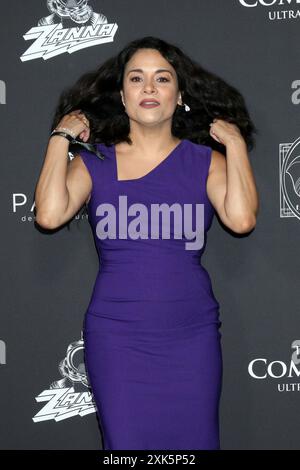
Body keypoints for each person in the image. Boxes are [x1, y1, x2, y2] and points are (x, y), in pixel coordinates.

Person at [34, 36, 259, 450]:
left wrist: (235, 144)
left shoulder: (206, 162)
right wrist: (61, 137)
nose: (150, 88)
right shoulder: (94, 162)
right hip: (118, 338)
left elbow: (242, 220)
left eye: (162, 78)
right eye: (137, 78)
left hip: (190, 335)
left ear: (179, 94)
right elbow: (48, 215)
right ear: (123, 95)